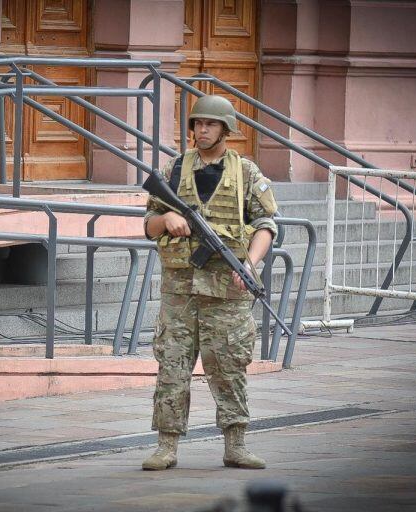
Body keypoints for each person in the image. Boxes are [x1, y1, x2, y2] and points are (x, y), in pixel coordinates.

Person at [142, 95, 278, 471]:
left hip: (227, 292)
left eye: (209, 125)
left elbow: (267, 226)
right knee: (172, 366)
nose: (201, 131)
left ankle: (236, 444)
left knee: (228, 366)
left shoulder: (246, 173)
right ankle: (166, 446)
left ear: (225, 130)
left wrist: (250, 263)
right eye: (197, 124)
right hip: (180, 291)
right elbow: (148, 226)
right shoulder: (173, 169)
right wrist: (167, 218)